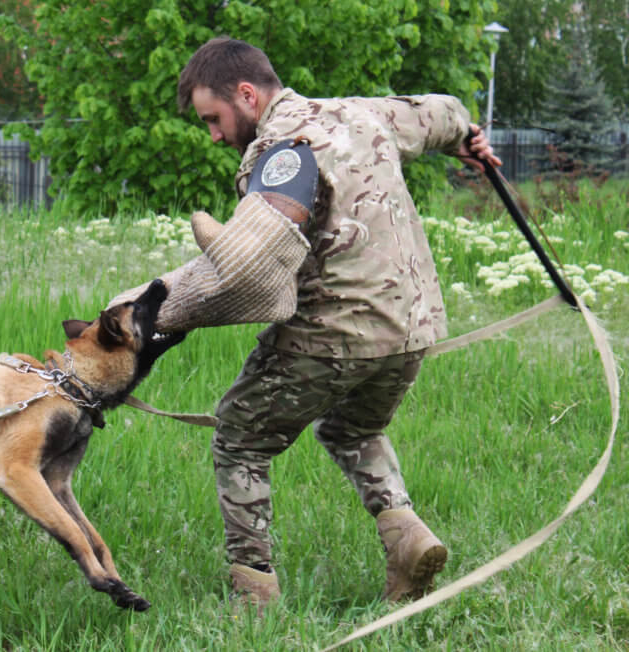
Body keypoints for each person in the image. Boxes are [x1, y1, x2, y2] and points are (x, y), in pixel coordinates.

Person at [114, 36, 501, 611]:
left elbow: (245, 269)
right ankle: (407, 536)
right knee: (351, 430)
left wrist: (143, 314)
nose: (214, 134)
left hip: (332, 336)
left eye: (213, 118)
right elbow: (442, 111)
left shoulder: (281, 153)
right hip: (413, 328)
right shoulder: (362, 112)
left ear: (246, 94)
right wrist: (466, 139)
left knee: (240, 437)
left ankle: (254, 595)